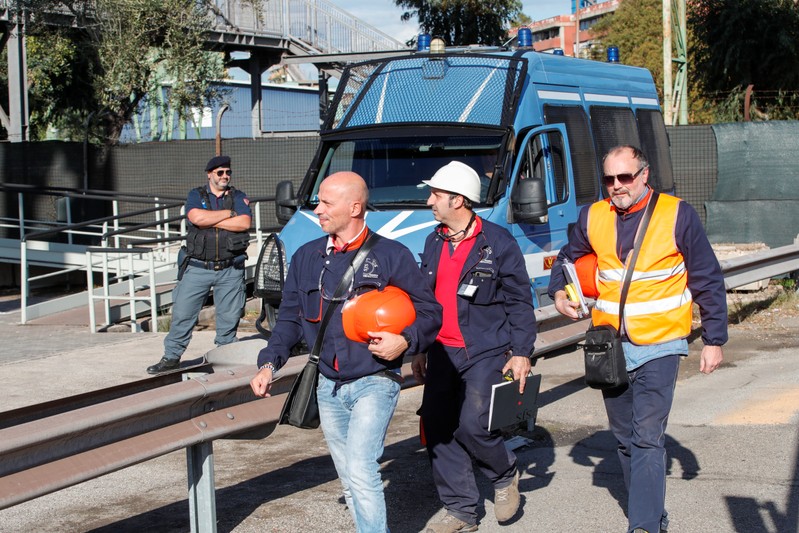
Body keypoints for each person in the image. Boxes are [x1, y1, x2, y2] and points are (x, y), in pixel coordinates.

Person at [548, 145, 728, 533]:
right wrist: (559, 291)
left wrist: (713, 339)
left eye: (624, 177)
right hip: (609, 345)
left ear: (644, 175)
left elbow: (707, 278)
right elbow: (567, 257)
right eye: (609, 179)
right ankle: (651, 515)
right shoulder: (593, 215)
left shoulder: (677, 214)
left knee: (647, 435)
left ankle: (643, 525)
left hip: (661, 343)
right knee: (626, 439)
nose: (616, 186)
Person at [250, 171, 441, 533]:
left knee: (361, 467)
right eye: (318, 201)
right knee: (350, 479)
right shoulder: (306, 257)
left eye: (326, 202)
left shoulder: (391, 255)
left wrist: (406, 341)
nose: (318, 209)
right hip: (327, 385)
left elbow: (431, 312)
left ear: (355, 207)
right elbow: (289, 319)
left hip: (374, 380)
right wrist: (268, 364)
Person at [413, 161, 537, 533]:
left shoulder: (496, 242)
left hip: (485, 350)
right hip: (440, 352)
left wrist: (521, 351)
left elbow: (519, 300)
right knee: (438, 426)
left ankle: (504, 473)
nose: (430, 200)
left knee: (473, 424)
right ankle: (461, 511)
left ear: (458, 199)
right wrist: (419, 347)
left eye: (436, 194)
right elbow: (426, 299)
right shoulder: (434, 239)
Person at [147, 155, 252, 374]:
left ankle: (227, 359)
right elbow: (196, 218)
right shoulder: (196, 195)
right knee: (183, 314)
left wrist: (211, 219)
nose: (225, 176)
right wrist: (227, 215)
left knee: (229, 317)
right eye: (220, 172)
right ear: (210, 174)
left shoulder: (238, 196)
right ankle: (171, 357)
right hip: (198, 267)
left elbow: (244, 222)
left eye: (228, 172)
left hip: (230, 268)